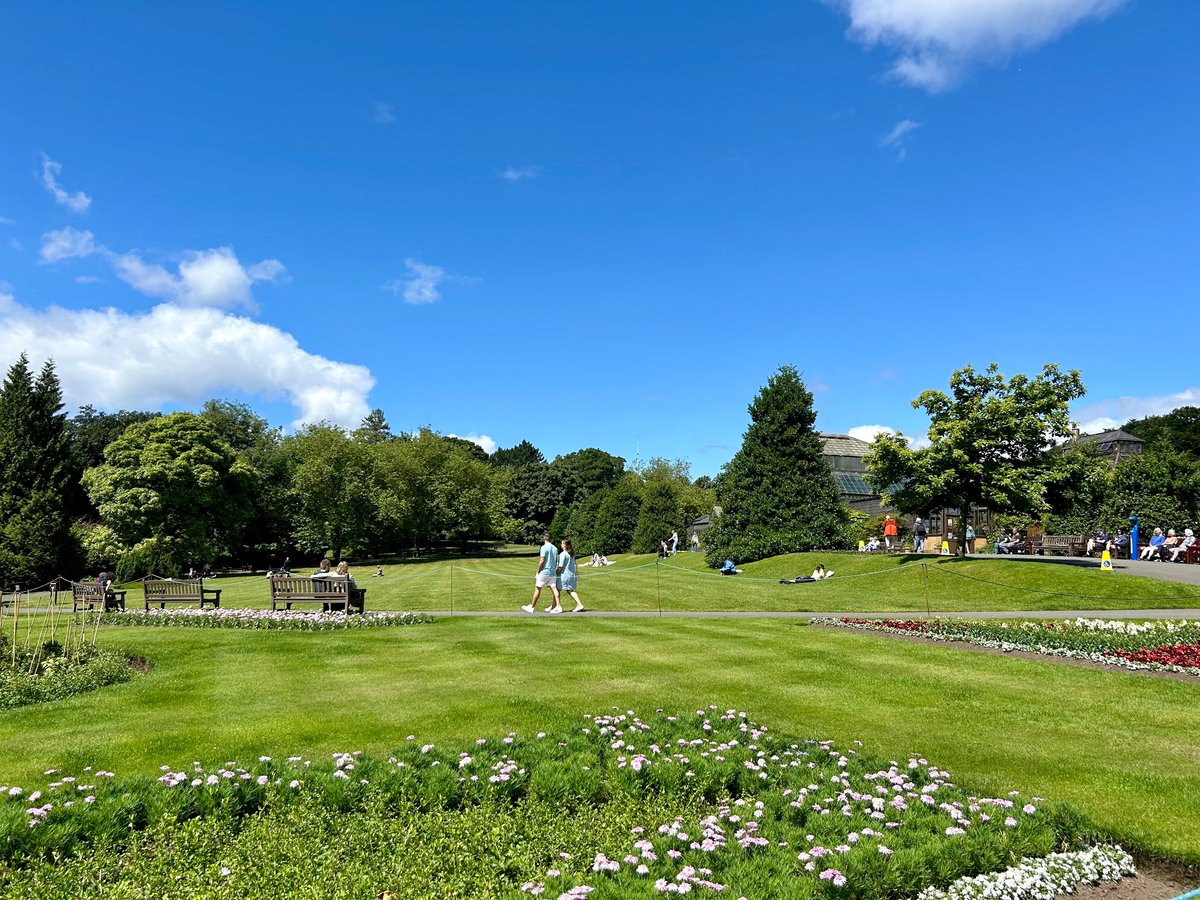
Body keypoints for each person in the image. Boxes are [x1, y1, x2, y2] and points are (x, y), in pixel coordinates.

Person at [523, 533, 562, 613]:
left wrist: (538, 571)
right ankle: (558, 606)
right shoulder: (555, 548)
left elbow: (542, 560)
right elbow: (556, 560)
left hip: (545, 571)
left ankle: (532, 606)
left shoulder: (544, 547)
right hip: (552, 572)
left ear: (544, 538)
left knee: (538, 588)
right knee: (554, 588)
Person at [556, 537, 585, 612]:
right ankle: (554, 606)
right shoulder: (571, 554)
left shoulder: (563, 554)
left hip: (564, 575)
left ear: (565, 545)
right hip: (571, 575)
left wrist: (555, 573)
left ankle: (578, 604)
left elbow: (560, 567)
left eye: (562, 543)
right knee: (566, 590)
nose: (561, 545)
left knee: (558, 590)